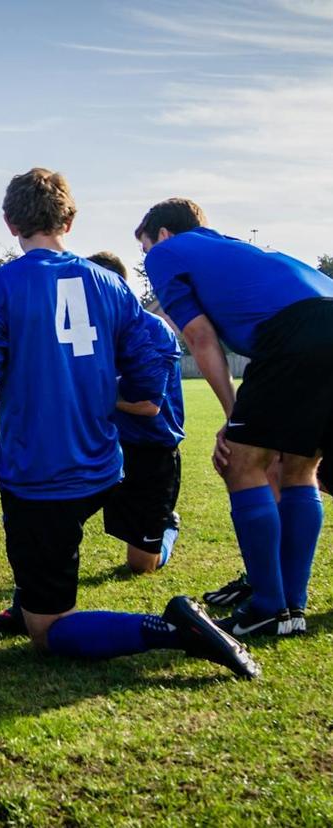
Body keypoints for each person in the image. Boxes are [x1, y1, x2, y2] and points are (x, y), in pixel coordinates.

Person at [0, 167, 257, 679]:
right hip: (104, 464)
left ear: (10, 222)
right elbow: (150, 370)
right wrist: (100, 387)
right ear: (70, 220)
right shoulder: (112, 285)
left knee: (48, 631)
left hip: (42, 475)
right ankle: (30, 591)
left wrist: (4, 380)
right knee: (4, 470)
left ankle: (172, 629)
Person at [138, 198, 333, 637]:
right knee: (300, 467)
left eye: (146, 248)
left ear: (163, 235)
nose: (149, 260)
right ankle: (290, 607)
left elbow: (200, 337)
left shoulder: (168, 252)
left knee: (242, 463)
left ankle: (268, 605)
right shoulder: (231, 250)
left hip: (295, 332)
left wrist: (234, 415)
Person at [88, 251, 184, 575]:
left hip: (151, 450)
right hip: (108, 445)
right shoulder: (92, 330)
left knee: (142, 566)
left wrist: (96, 398)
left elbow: (148, 406)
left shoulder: (151, 331)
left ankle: (168, 528)